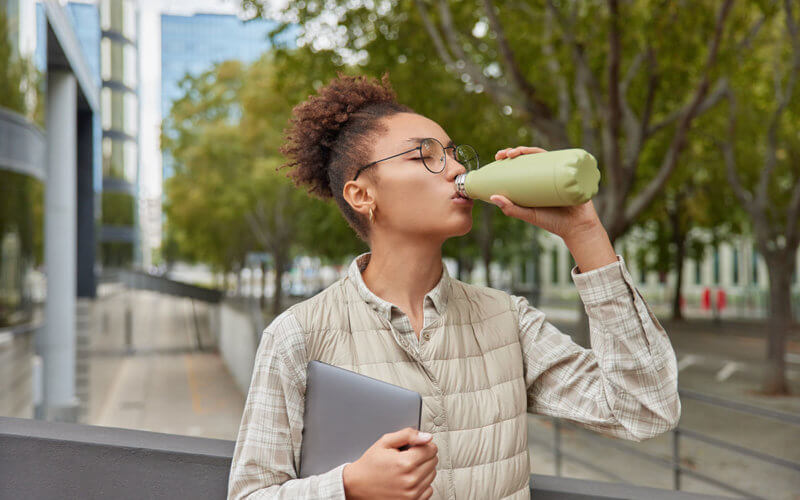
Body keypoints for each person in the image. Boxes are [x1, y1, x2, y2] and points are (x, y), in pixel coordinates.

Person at [227, 73, 681, 499]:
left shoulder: (508, 320)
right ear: (362, 194)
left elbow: (643, 409)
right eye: (424, 155)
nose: (454, 170)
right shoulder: (298, 336)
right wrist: (349, 485)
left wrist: (585, 233)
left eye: (453, 153)